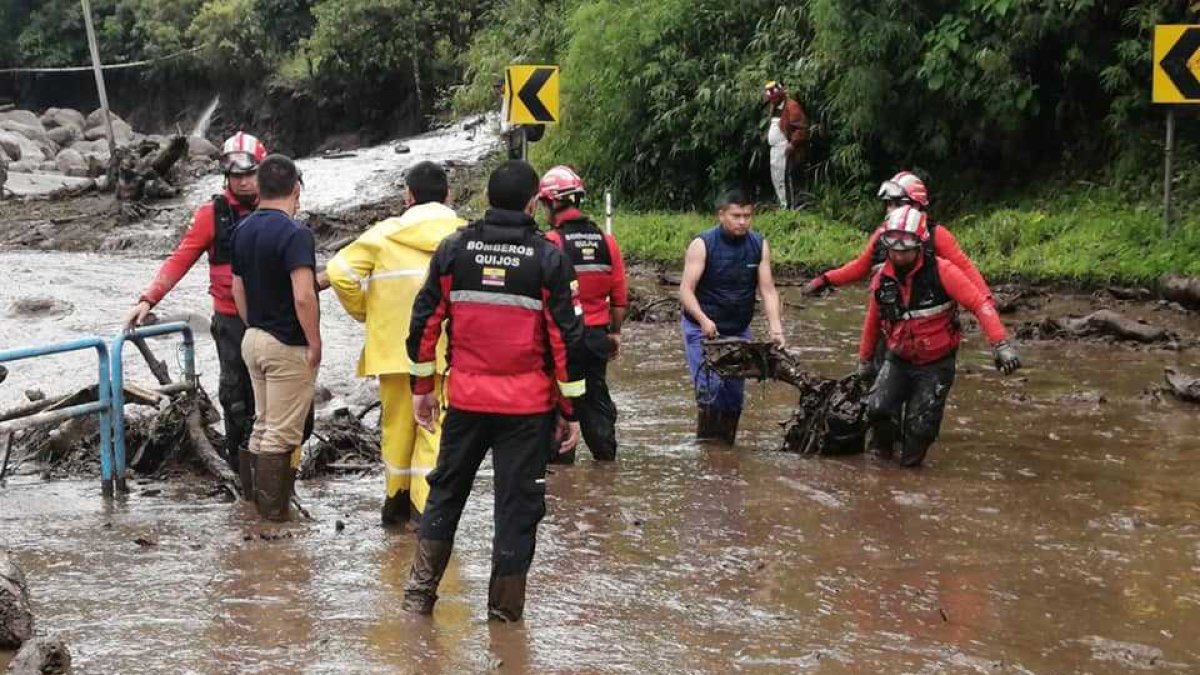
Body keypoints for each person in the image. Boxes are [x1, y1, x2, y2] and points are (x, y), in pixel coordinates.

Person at [401, 160, 585, 621]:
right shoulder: (548, 258)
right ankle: (504, 623)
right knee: (516, 509)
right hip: (526, 412)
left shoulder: (454, 250)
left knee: (445, 493)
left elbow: (424, 325)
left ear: (486, 199)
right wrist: (571, 409)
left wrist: (422, 388)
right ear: (530, 204)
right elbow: (566, 340)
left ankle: (417, 601)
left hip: (465, 402)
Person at [326, 161, 465, 527]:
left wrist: (366, 314)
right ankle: (427, 512)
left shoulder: (384, 233)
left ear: (408, 196)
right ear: (448, 194)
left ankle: (395, 505)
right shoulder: (465, 233)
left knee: (397, 431)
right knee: (435, 432)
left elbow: (340, 272)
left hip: (392, 350)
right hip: (449, 352)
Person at [122, 132, 267, 482]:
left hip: (273, 320)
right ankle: (242, 474)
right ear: (227, 176)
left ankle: (277, 472)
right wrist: (149, 298)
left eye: (251, 174)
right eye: (237, 175)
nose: (245, 181)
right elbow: (181, 258)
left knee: (278, 400)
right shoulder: (212, 214)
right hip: (231, 321)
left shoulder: (277, 206)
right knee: (237, 398)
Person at [857, 206, 1021, 467]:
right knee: (877, 408)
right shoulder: (882, 278)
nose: (898, 254)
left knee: (920, 427)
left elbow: (980, 304)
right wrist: (865, 360)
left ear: (920, 244)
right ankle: (881, 468)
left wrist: (1000, 344)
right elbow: (872, 320)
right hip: (898, 358)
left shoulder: (943, 271)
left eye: (906, 246)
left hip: (935, 364)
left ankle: (909, 474)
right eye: (893, 246)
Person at [231, 154, 320, 521]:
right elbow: (303, 294)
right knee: (281, 435)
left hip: (253, 337)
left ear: (259, 189)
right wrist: (314, 341)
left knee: (263, 425)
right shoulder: (295, 233)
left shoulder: (242, 230)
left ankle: (253, 510)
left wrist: (255, 323)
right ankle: (272, 523)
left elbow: (236, 287)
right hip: (286, 342)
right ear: (295, 190)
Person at [679, 189, 785, 445]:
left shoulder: (758, 244)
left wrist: (776, 329)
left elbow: (768, 289)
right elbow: (685, 290)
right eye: (736, 215)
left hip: (738, 329)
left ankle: (726, 450)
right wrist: (703, 319)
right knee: (710, 388)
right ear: (721, 215)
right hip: (701, 329)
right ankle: (706, 449)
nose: (742, 222)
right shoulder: (703, 244)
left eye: (747, 216)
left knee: (734, 397)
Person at [538, 165, 628, 464]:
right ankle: (606, 464)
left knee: (560, 401)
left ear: (551, 202)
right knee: (596, 400)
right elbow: (618, 297)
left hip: (562, 339)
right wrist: (614, 333)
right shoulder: (606, 241)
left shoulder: (551, 243)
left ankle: (561, 474)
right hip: (596, 336)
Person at [802, 171, 992, 300]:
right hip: (891, 321)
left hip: (930, 322)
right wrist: (823, 280)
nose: (889, 210)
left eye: (895, 204)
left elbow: (966, 269)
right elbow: (860, 267)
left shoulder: (937, 235)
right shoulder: (882, 234)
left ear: (916, 205)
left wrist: (988, 300)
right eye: (888, 204)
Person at [763, 81, 809, 209]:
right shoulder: (774, 107)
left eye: (774, 99)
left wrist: (793, 144)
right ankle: (784, 205)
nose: (772, 101)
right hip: (775, 150)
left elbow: (802, 128)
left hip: (787, 148)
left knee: (788, 178)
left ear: (780, 96)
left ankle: (794, 207)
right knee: (777, 178)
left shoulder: (791, 106)